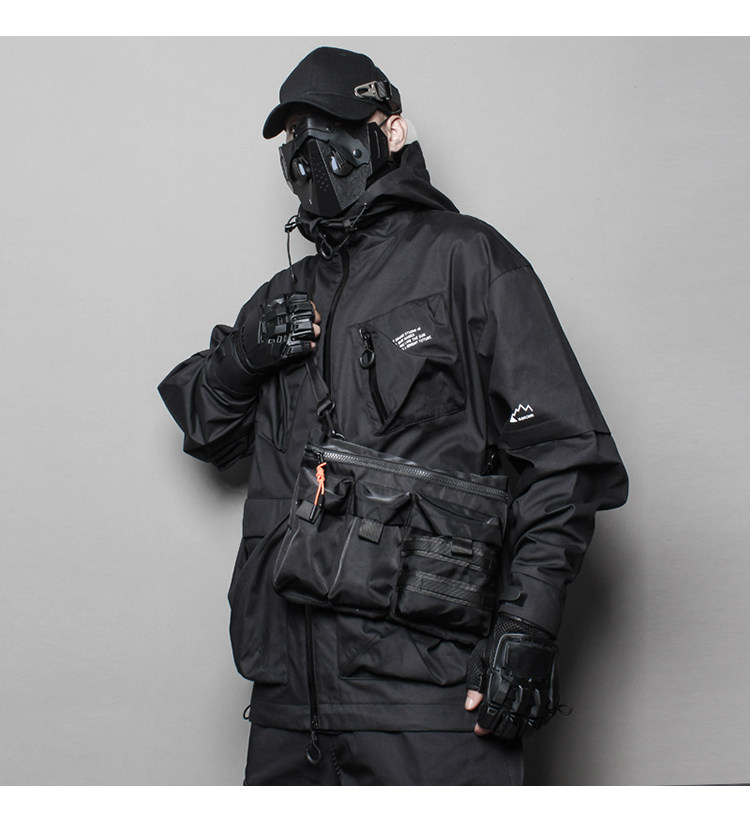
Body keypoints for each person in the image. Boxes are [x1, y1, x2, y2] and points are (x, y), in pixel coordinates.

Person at [158, 46, 628, 786]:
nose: (309, 153)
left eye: (329, 128)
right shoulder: (283, 295)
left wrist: (528, 626)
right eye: (293, 141)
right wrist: (242, 356)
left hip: (427, 702)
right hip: (288, 707)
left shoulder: (468, 260)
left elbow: (566, 454)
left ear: (391, 130)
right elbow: (206, 429)